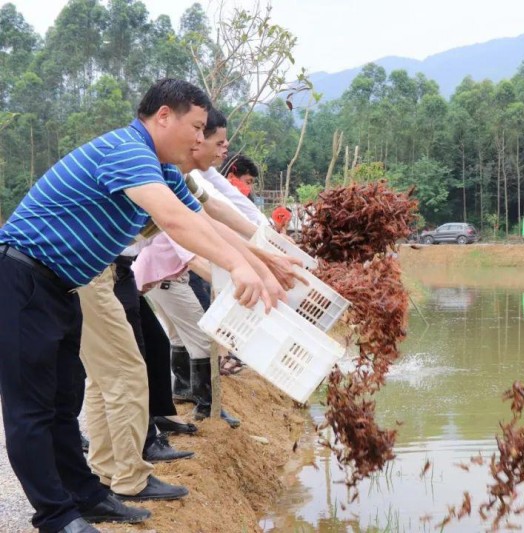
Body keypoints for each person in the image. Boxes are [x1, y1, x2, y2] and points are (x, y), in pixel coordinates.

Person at [0, 78, 285, 533]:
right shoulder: (128, 151)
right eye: (195, 127)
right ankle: (55, 516)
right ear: (163, 116)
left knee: (62, 403)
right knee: (30, 410)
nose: (199, 138)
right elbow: (173, 221)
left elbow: (200, 217)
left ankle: (87, 495)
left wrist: (265, 260)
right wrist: (240, 265)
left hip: (64, 287)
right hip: (22, 279)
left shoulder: (162, 168)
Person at [133, 108, 304, 428]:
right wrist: (242, 274)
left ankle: (174, 402)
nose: (222, 149)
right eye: (211, 137)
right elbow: (192, 242)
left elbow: (213, 215)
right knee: (197, 338)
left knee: (166, 341)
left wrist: (263, 257)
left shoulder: (178, 178)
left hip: (153, 275)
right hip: (147, 275)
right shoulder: (159, 175)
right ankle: (205, 410)